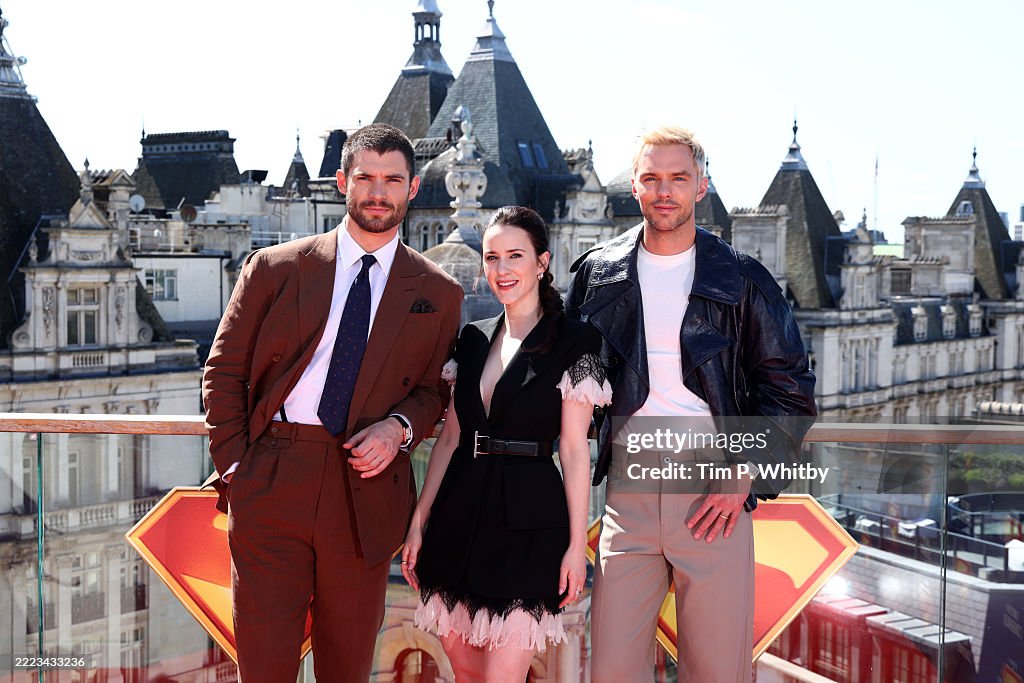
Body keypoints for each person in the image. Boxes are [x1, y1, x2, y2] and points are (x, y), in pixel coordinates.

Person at [202, 123, 464, 682]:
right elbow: (223, 370)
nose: (378, 191)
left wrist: (399, 428)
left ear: (413, 189)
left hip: (366, 489)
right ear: (343, 181)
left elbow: (432, 392)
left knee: (346, 668)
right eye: (365, 177)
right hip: (272, 478)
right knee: (264, 666)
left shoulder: (440, 292)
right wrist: (237, 469)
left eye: (392, 179)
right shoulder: (275, 268)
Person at [565, 126, 817, 682]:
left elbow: (792, 391)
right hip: (625, 493)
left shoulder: (744, 279)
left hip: (713, 487)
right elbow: (567, 378)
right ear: (633, 185)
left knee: (716, 671)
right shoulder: (596, 273)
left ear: (701, 186)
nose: (664, 190)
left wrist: (745, 472)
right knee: (610, 670)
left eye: (678, 177)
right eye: (651, 177)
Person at [401, 206, 611, 682]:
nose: (501, 269)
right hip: (458, 520)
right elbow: (451, 437)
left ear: (542, 262)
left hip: (531, 525)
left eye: (514, 256)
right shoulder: (472, 339)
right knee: (467, 674)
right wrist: (419, 521)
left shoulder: (576, 342)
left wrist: (577, 546)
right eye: (491, 257)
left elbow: (576, 451)